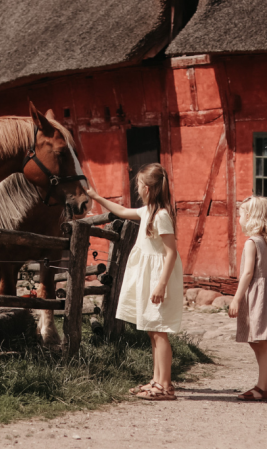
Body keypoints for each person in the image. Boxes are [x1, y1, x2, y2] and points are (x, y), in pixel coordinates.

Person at [86, 163, 182, 401]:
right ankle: (157, 380)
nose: (137, 189)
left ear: (149, 189)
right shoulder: (147, 211)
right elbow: (120, 210)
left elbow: (171, 252)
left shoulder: (161, 216)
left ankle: (166, 385)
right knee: (152, 330)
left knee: (159, 331)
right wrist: (96, 196)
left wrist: (161, 284)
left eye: (139, 185)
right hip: (149, 276)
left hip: (159, 277)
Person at [228, 196, 267, 401]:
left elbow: (248, 273)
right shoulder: (264, 242)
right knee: (257, 339)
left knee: (261, 341)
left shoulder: (252, 243)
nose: (239, 219)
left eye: (241, 215)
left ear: (249, 217)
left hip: (257, 294)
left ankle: (262, 387)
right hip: (265, 292)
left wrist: (236, 298)